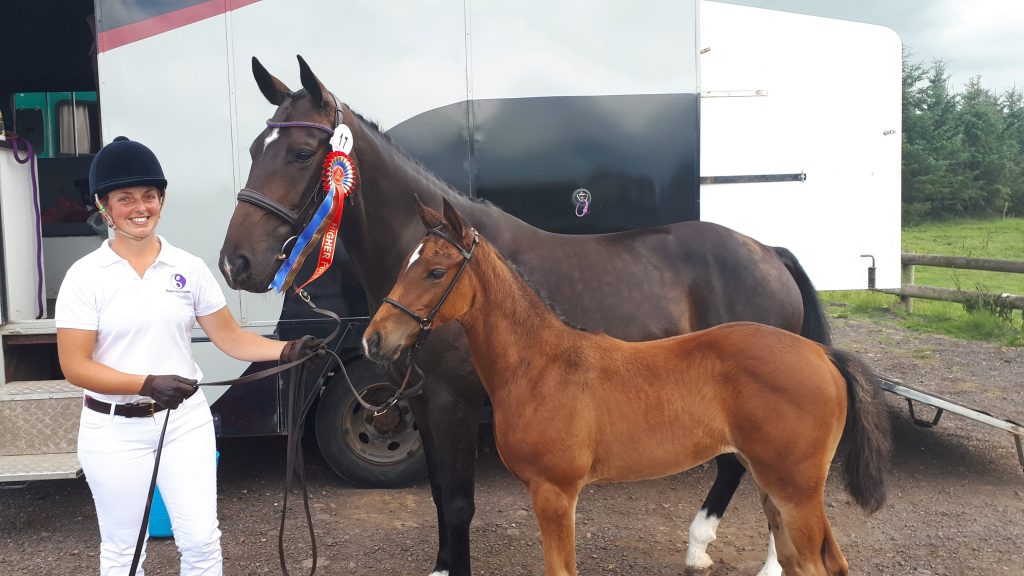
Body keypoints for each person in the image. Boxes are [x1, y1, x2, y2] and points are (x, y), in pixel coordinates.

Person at [55, 136, 319, 575]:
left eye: (149, 196)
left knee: (200, 540)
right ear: (105, 206)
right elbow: (75, 365)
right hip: (113, 430)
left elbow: (231, 339)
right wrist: (144, 384)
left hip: (184, 424)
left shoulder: (188, 268)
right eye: (125, 199)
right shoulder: (85, 278)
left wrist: (288, 349)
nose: (140, 208)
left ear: (161, 200)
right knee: (124, 551)